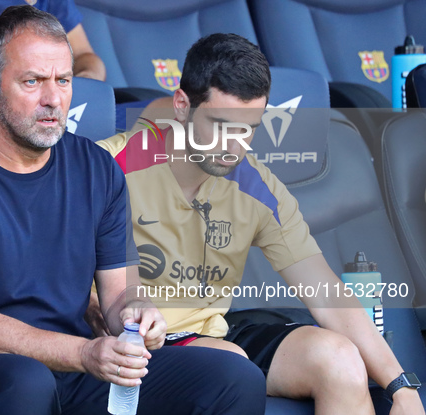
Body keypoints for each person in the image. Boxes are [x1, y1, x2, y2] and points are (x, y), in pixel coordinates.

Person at [0, 6, 266, 415]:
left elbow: (118, 293)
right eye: (32, 81)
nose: (53, 99)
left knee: (233, 377)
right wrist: (85, 353)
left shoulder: (96, 169)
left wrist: (137, 314)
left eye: (63, 80)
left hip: (76, 366)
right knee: (27, 381)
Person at [96, 33, 425, 415]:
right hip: (135, 343)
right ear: (183, 106)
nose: (234, 146)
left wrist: (400, 386)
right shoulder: (109, 165)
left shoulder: (257, 184)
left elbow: (326, 292)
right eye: (220, 125)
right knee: (230, 361)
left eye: (248, 128)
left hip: (212, 332)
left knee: (340, 360)